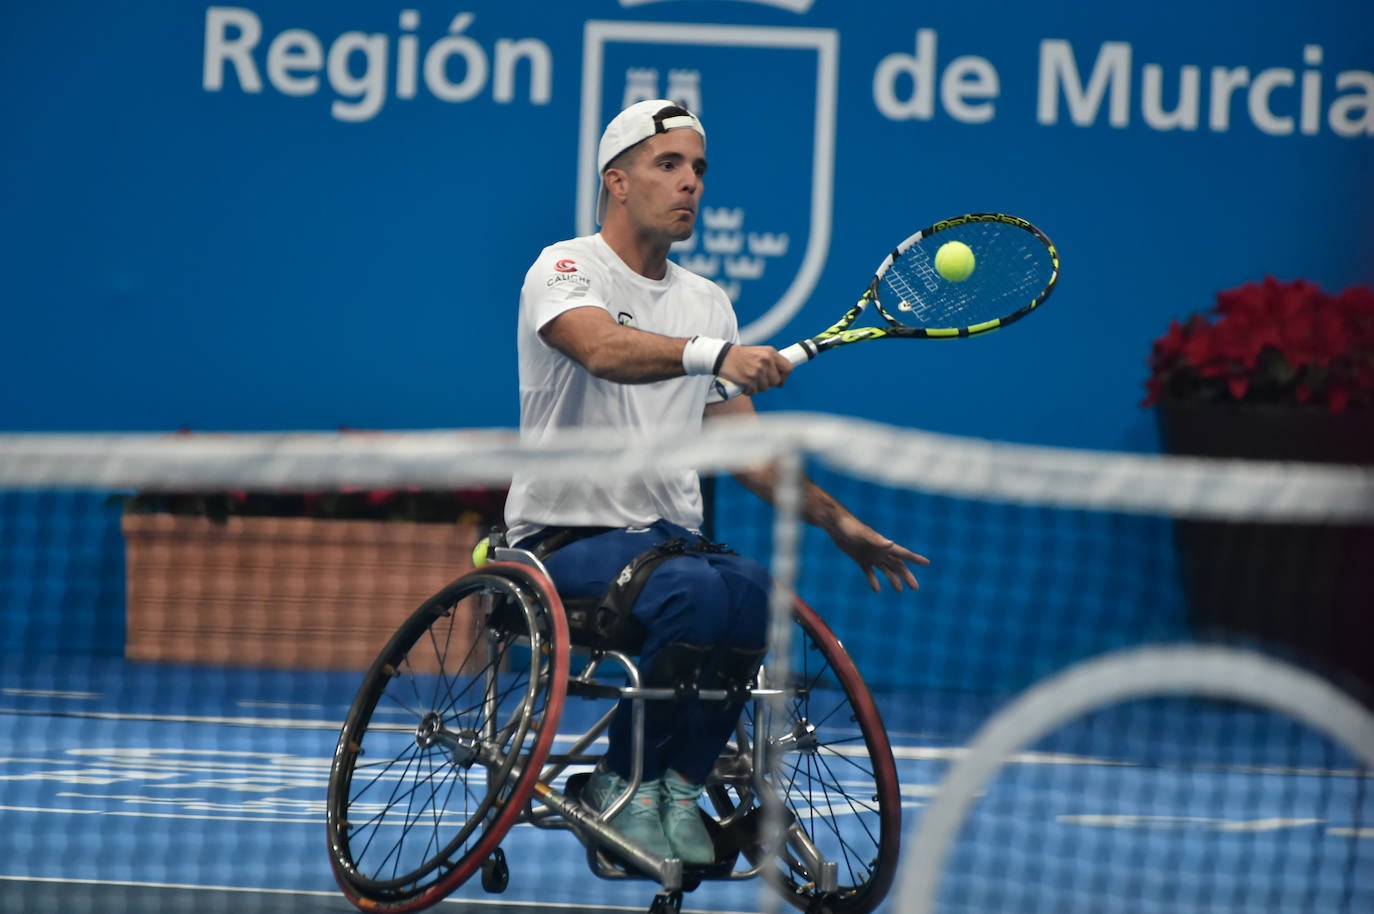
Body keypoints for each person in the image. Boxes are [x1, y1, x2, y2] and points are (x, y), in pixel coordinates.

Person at [504, 99, 928, 867]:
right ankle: (620, 785)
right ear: (618, 180)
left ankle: (674, 788)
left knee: (756, 596)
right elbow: (601, 349)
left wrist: (839, 524)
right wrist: (712, 355)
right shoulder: (565, 268)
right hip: (565, 539)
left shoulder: (707, 301)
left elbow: (746, 452)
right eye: (669, 164)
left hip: (668, 545)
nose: (690, 183)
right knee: (697, 596)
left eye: (698, 168)